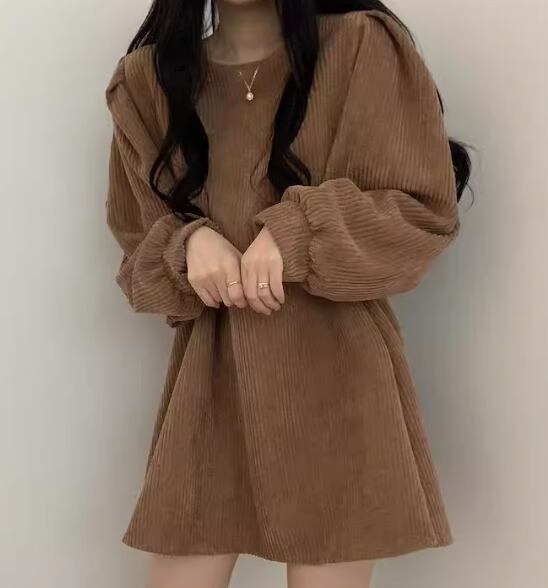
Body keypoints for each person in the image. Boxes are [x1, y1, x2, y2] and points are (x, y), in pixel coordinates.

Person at [104, 1, 470, 586]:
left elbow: (422, 212)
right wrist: (187, 243)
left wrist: (298, 231)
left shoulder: (359, 47)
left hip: (337, 379)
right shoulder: (148, 81)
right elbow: (137, 244)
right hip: (211, 386)